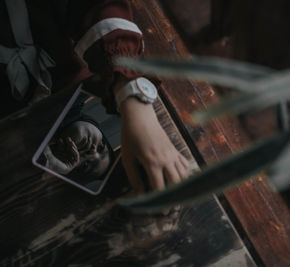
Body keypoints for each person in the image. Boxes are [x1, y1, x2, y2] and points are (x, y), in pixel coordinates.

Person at [0, 0, 189, 194]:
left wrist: (42, 161)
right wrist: (137, 103)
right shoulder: (80, 83)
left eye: (86, 165)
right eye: (101, 149)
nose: (90, 152)